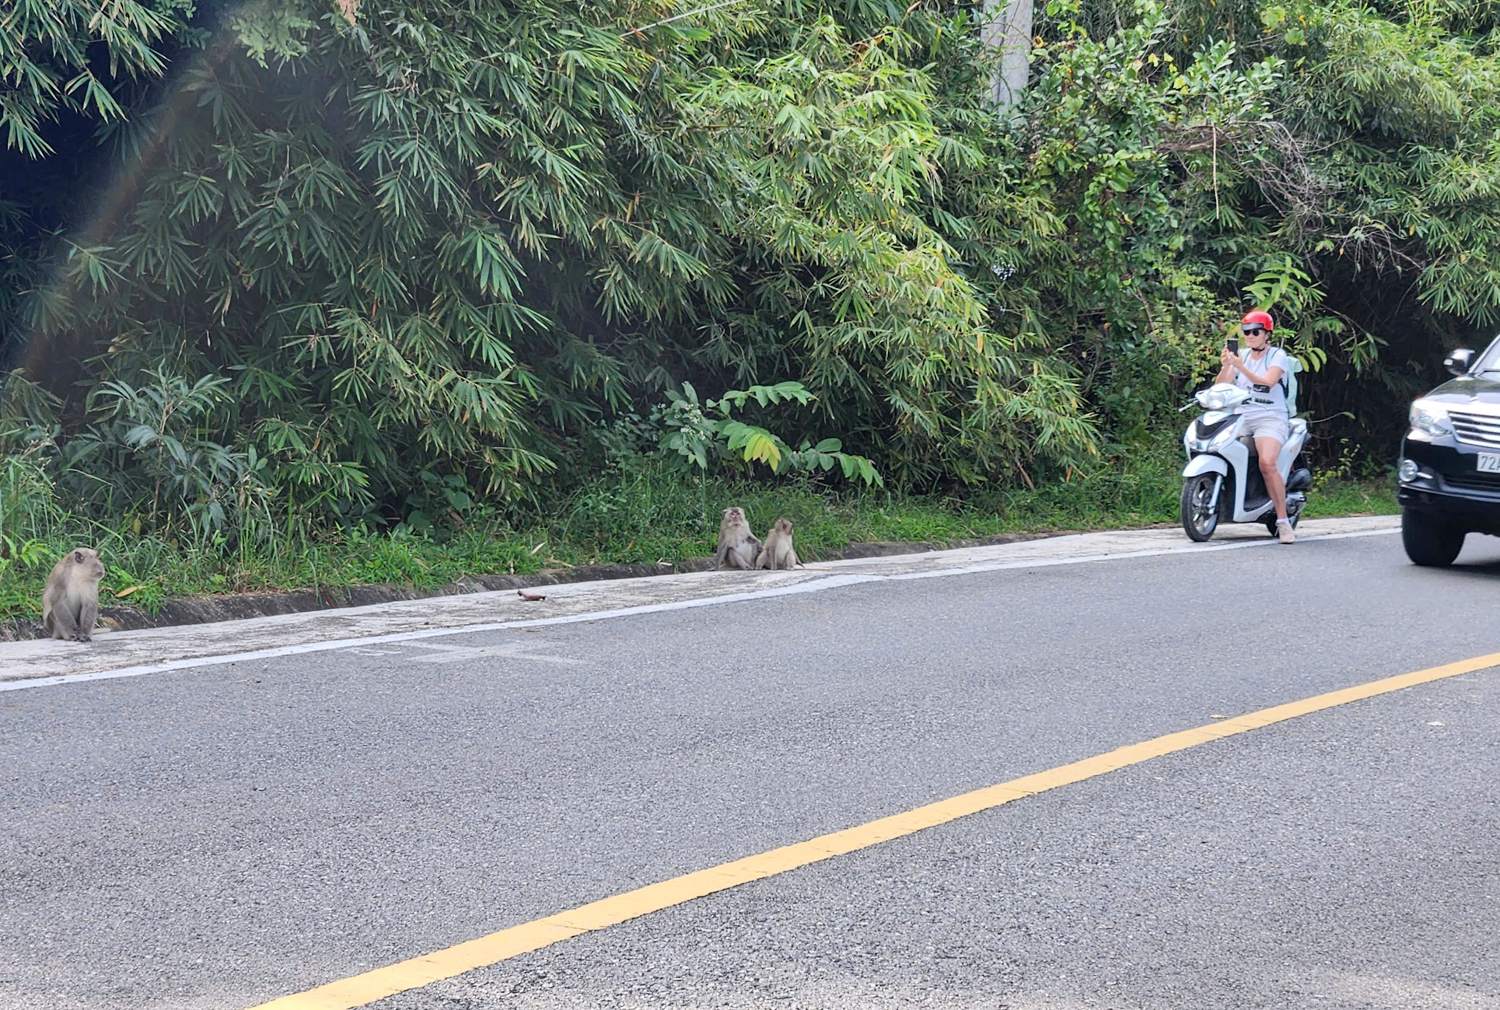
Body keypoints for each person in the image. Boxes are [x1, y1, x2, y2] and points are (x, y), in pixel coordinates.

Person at [1217, 310, 1295, 544]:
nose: (1250, 336)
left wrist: (1240, 367)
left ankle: (1283, 521)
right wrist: (1225, 366)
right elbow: (1221, 387)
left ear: (1266, 334)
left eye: (1255, 332)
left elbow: (1268, 382)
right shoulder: (1240, 355)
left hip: (1270, 417)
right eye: (1246, 332)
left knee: (1267, 462)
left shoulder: (1277, 356)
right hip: (1241, 417)